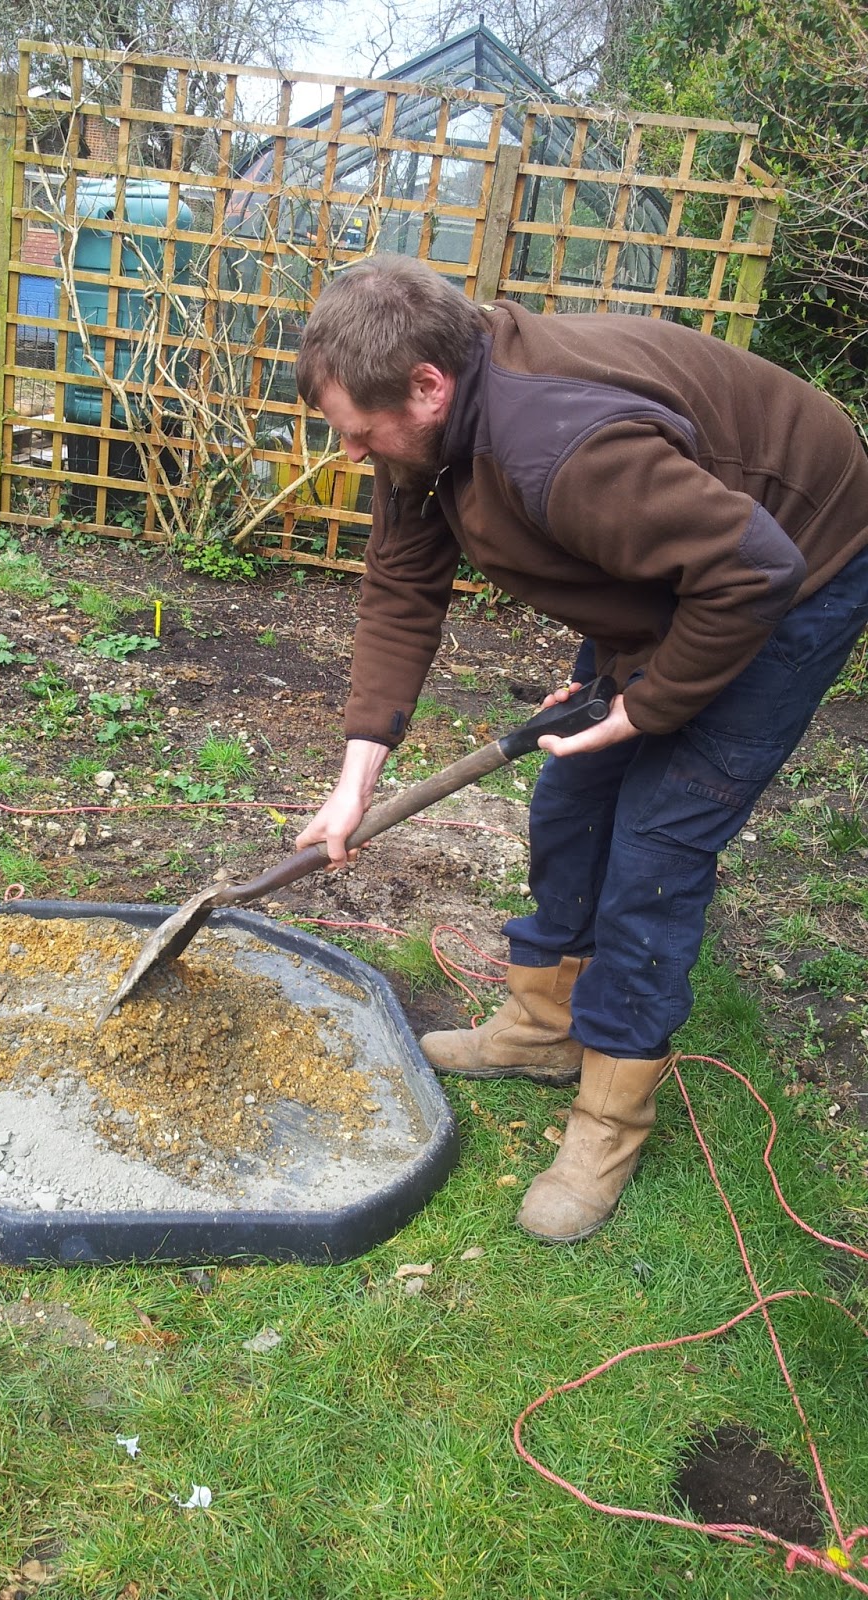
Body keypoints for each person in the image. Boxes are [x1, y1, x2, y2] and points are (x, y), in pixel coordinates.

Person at [293, 253, 868, 1244]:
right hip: (691, 564)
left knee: (656, 844)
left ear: (428, 386)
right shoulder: (426, 438)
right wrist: (353, 785)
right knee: (571, 798)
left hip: (800, 563)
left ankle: (607, 1122)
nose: (349, 454)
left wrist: (649, 705)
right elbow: (401, 587)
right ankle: (544, 1028)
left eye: (356, 433)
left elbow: (750, 570)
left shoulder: (558, 448)